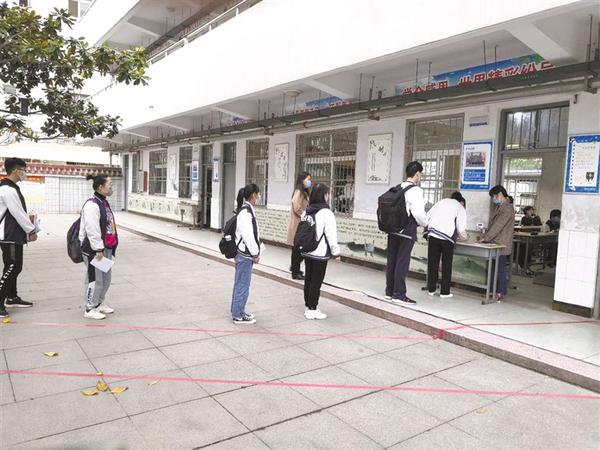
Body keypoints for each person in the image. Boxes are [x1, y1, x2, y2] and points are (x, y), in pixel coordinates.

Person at [0, 158, 39, 318]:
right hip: (9, 235)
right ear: (16, 170)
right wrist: (32, 230)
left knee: (14, 266)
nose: (25, 173)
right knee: (12, 267)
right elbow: (18, 213)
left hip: (13, 234)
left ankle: (11, 297)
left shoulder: (11, 188)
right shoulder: (8, 190)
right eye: (24, 170)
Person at [385, 161, 428, 305]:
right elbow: (418, 213)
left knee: (392, 260)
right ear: (417, 174)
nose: (420, 176)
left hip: (393, 229)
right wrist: (426, 223)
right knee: (402, 261)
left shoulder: (398, 187)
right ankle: (399, 294)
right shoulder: (416, 190)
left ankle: (389, 291)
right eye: (421, 174)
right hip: (406, 230)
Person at [80, 174, 119, 320]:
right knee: (95, 279)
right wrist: (97, 249)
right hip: (95, 250)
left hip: (105, 247)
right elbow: (92, 229)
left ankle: (99, 303)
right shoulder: (92, 205)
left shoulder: (103, 202)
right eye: (110, 184)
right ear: (100, 187)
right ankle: (90, 308)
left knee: (105, 278)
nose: (112, 187)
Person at [301, 183, 341, 319]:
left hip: (307, 250)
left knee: (308, 279)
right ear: (324, 195)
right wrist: (336, 252)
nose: (328, 196)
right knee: (316, 281)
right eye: (327, 193)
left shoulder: (307, 210)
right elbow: (331, 235)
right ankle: (312, 309)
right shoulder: (326, 213)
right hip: (319, 252)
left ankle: (308, 306)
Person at [425, 192, 468, 298]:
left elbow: (427, 216)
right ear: (460, 200)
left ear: (451, 197)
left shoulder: (441, 202)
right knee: (446, 265)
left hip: (433, 236)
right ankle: (444, 292)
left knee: (432, 263)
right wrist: (465, 238)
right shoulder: (460, 207)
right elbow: (461, 228)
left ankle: (431, 289)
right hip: (447, 239)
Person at [231, 183, 262, 324]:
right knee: (242, 285)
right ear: (254, 195)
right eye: (258, 194)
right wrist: (255, 254)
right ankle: (238, 315)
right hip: (244, 255)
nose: (259, 196)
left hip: (243, 254)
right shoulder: (246, 213)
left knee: (241, 284)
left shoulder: (246, 210)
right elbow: (248, 236)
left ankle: (239, 311)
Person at [480, 185, 515, 302]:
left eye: (494, 196)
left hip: (501, 243)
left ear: (500, 194)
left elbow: (498, 226)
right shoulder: (500, 207)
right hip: (495, 242)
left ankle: (500, 292)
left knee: (500, 269)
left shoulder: (507, 208)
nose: (493, 199)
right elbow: (494, 225)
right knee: (493, 268)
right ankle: (491, 290)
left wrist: (486, 238)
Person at [287, 171, 311, 280]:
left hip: (301, 224)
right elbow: (296, 207)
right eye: (307, 179)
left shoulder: (304, 192)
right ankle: (295, 272)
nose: (309, 181)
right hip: (297, 224)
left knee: (298, 249)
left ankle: (294, 268)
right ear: (302, 180)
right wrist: (305, 215)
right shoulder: (299, 192)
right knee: (298, 250)